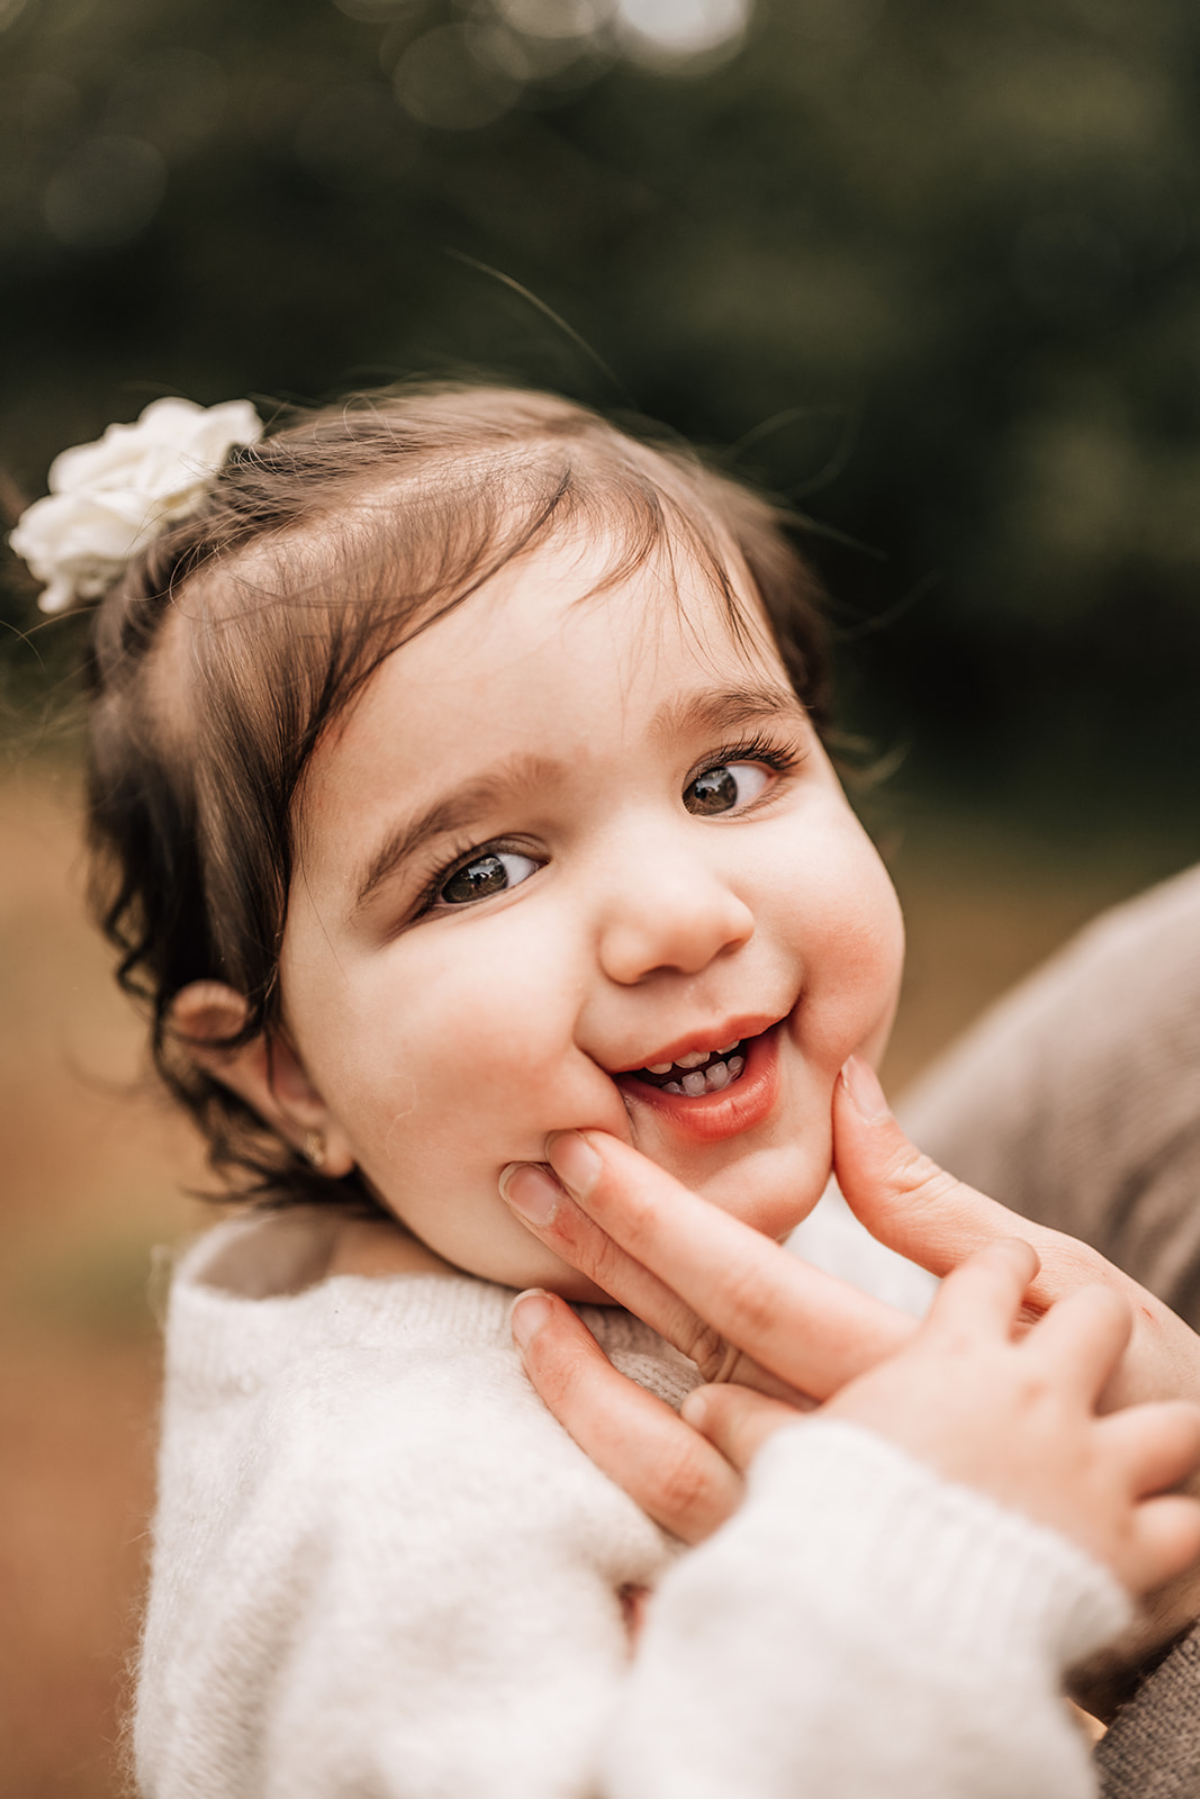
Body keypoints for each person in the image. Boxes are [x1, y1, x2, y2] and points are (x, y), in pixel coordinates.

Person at [12, 384, 1200, 1798]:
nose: (681, 916)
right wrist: (924, 1562)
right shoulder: (392, 1498)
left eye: (726, 778)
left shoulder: (799, 1234)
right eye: (483, 872)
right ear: (286, 1073)